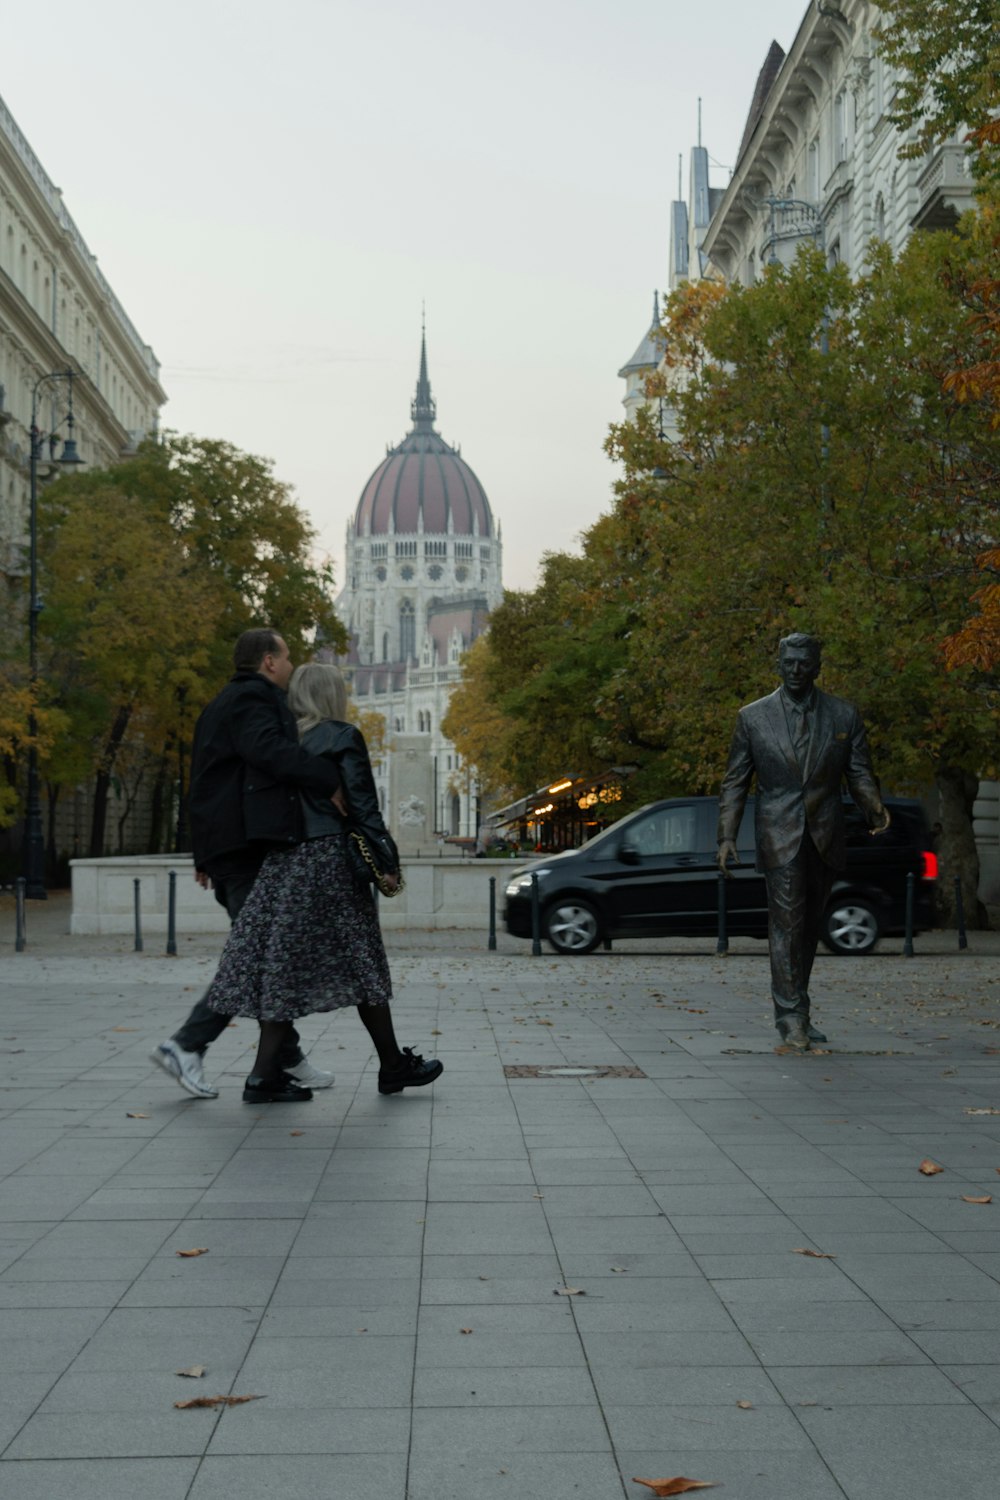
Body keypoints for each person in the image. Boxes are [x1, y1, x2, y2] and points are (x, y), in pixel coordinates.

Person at [202, 660, 443, 1103]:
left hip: (282, 865)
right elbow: (363, 805)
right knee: (361, 959)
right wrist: (387, 859)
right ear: (333, 695)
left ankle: (262, 1076)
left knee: (282, 968)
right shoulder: (340, 735)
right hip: (329, 861)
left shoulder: (279, 742)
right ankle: (391, 1066)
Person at [151, 628, 346, 1098]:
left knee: (263, 957)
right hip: (245, 847)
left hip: (230, 846)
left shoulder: (221, 703)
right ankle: (187, 1044)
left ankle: (286, 1058)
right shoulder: (253, 702)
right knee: (255, 956)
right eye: (286, 656)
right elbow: (270, 754)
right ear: (268, 662)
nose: (292, 665)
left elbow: (203, 780)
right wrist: (327, 778)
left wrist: (206, 852)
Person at [717, 632, 890, 1051]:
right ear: (778, 663)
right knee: (787, 925)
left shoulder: (843, 715)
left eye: (804, 663)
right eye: (789, 662)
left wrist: (874, 807)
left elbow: (859, 772)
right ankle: (789, 1016)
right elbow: (735, 781)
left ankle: (801, 1009)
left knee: (810, 927)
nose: (796, 670)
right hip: (779, 834)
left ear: (817, 665)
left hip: (826, 833)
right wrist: (726, 835)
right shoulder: (753, 717)